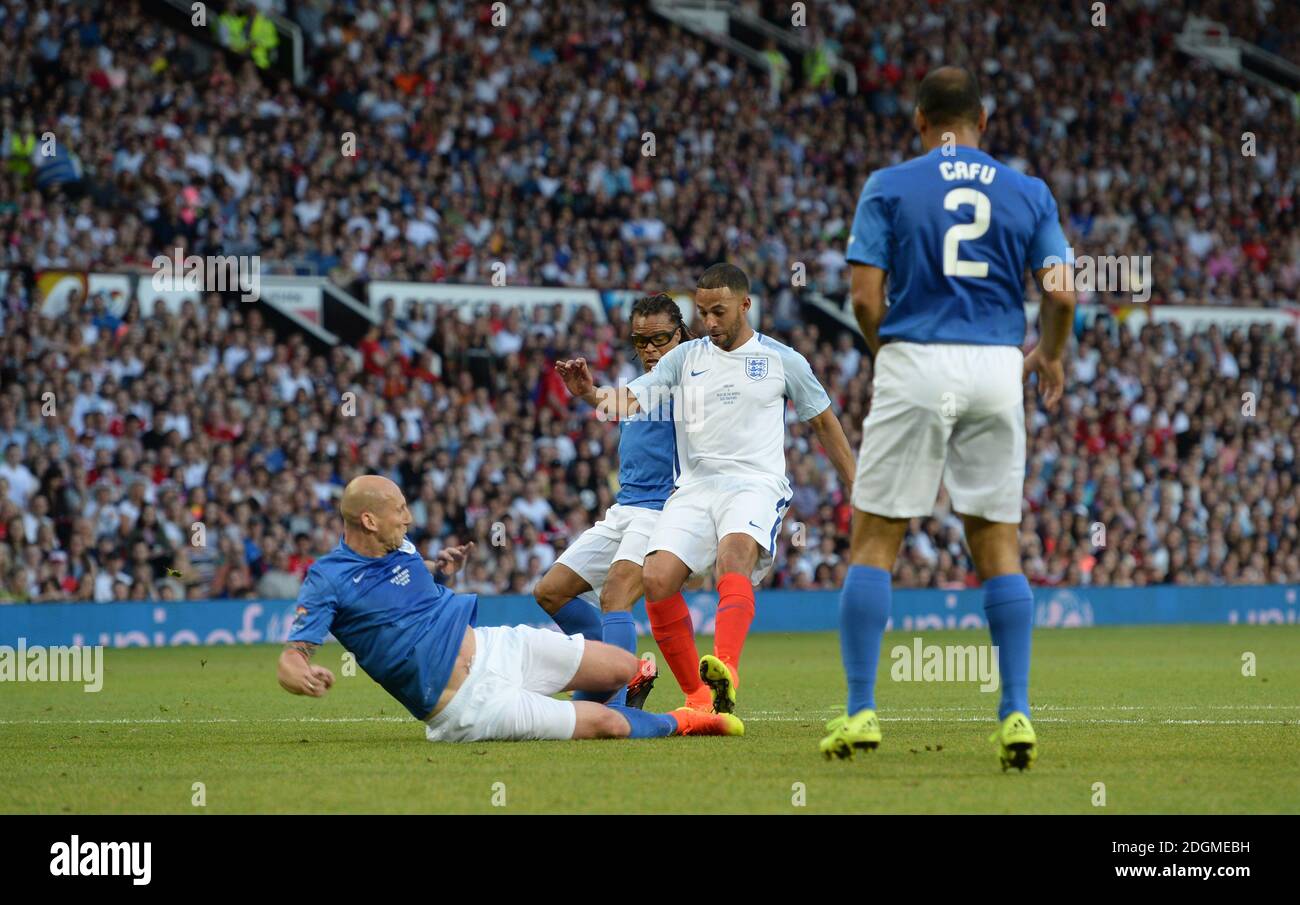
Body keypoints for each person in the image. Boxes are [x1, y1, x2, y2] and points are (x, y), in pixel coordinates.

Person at [824, 66, 1076, 769]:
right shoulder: (1028, 191)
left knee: (876, 538)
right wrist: (1049, 357)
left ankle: (860, 710)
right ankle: (1016, 710)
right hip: (997, 367)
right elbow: (1061, 295)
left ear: (918, 121)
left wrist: (891, 353)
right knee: (998, 545)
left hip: (916, 359)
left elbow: (865, 298)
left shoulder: (889, 183)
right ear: (983, 121)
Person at [557, 265, 856, 714]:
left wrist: (857, 486)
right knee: (657, 578)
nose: (710, 322)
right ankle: (698, 699)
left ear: (745, 305)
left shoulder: (782, 359)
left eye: (719, 312)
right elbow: (632, 399)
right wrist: (590, 395)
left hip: (754, 483)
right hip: (694, 488)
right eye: (702, 313)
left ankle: (727, 672)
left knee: (733, 556)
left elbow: (824, 423)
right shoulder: (685, 357)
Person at [277, 475, 743, 742]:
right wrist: (298, 672)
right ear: (368, 520)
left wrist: (437, 568)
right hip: (468, 704)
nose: (409, 517)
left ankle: (601, 707)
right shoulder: (328, 578)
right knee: (606, 725)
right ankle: (685, 721)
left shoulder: (398, 547)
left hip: (495, 648)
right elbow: (291, 656)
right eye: (400, 510)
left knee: (624, 666)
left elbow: (403, 582)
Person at [533, 293, 693, 709]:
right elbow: (620, 405)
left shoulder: (693, 379)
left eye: (660, 338)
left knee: (616, 596)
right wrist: (588, 393)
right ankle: (614, 677)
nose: (651, 349)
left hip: (663, 510)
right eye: (641, 341)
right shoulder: (639, 383)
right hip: (624, 509)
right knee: (550, 592)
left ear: (681, 335)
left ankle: (614, 707)